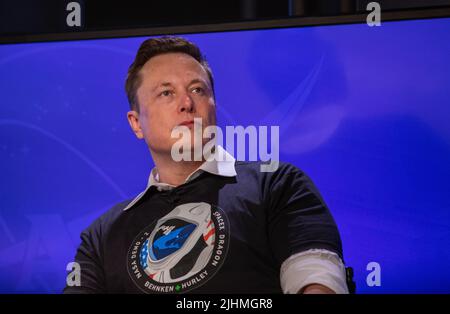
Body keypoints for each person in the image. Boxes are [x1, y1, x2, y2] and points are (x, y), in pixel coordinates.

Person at [63, 36, 349, 294]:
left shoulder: (277, 184)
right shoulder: (102, 235)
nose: (187, 103)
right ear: (136, 123)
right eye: (166, 93)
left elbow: (317, 278)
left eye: (198, 90)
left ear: (214, 105)